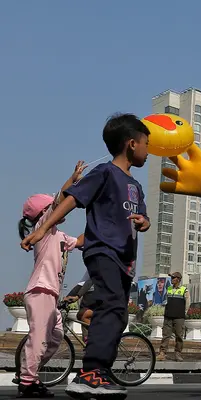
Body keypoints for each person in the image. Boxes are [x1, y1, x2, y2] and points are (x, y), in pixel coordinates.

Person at [21, 113, 151, 399]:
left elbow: (143, 217)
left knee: (118, 315)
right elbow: (72, 198)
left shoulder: (137, 186)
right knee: (112, 308)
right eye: (146, 143)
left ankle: (97, 373)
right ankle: (90, 373)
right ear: (131, 144)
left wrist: (145, 222)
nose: (148, 149)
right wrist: (42, 230)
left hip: (124, 260)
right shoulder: (105, 173)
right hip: (102, 250)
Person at [16, 161, 86, 398]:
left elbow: (79, 241)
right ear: (45, 213)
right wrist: (73, 179)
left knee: (55, 337)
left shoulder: (59, 236)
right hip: (40, 290)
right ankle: (27, 380)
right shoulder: (42, 229)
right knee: (39, 337)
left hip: (50, 294)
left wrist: (105, 223)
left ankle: (29, 372)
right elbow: (61, 199)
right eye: (52, 208)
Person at [158, 272, 190, 362]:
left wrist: (184, 313)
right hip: (168, 316)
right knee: (165, 335)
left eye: (173, 277)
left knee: (179, 336)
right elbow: (165, 301)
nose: (171, 279)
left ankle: (178, 354)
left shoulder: (184, 290)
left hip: (179, 317)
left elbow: (188, 303)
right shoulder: (168, 289)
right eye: (171, 277)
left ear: (178, 279)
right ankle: (162, 353)